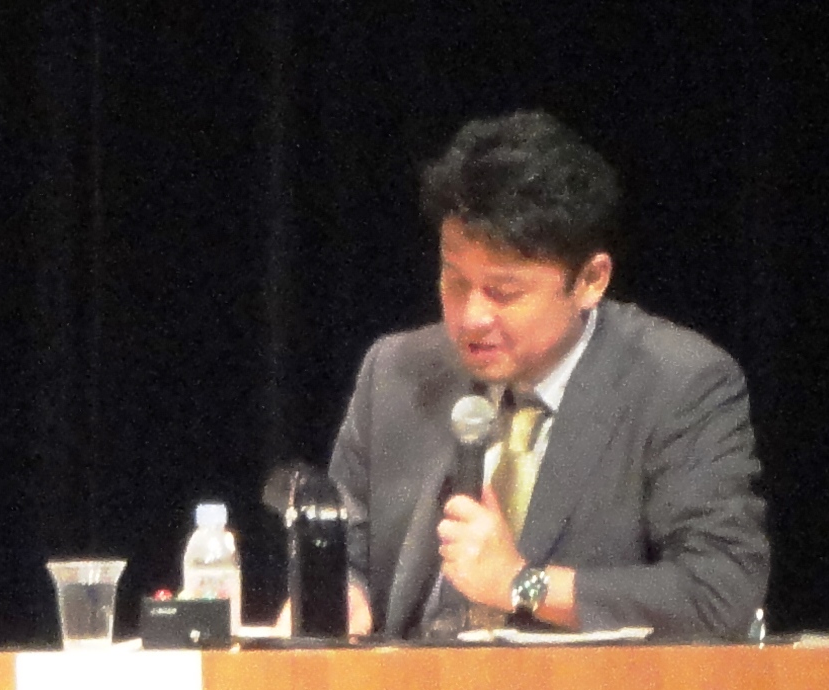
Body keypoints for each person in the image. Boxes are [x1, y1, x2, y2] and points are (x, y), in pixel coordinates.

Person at [328, 110, 768, 640]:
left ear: (590, 281)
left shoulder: (678, 384)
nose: (472, 317)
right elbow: (344, 555)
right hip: (406, 685)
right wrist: (337, 597)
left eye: (504, 292)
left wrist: (523, 583)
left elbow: (719, 592)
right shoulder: (396, 371)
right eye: (455, 280)